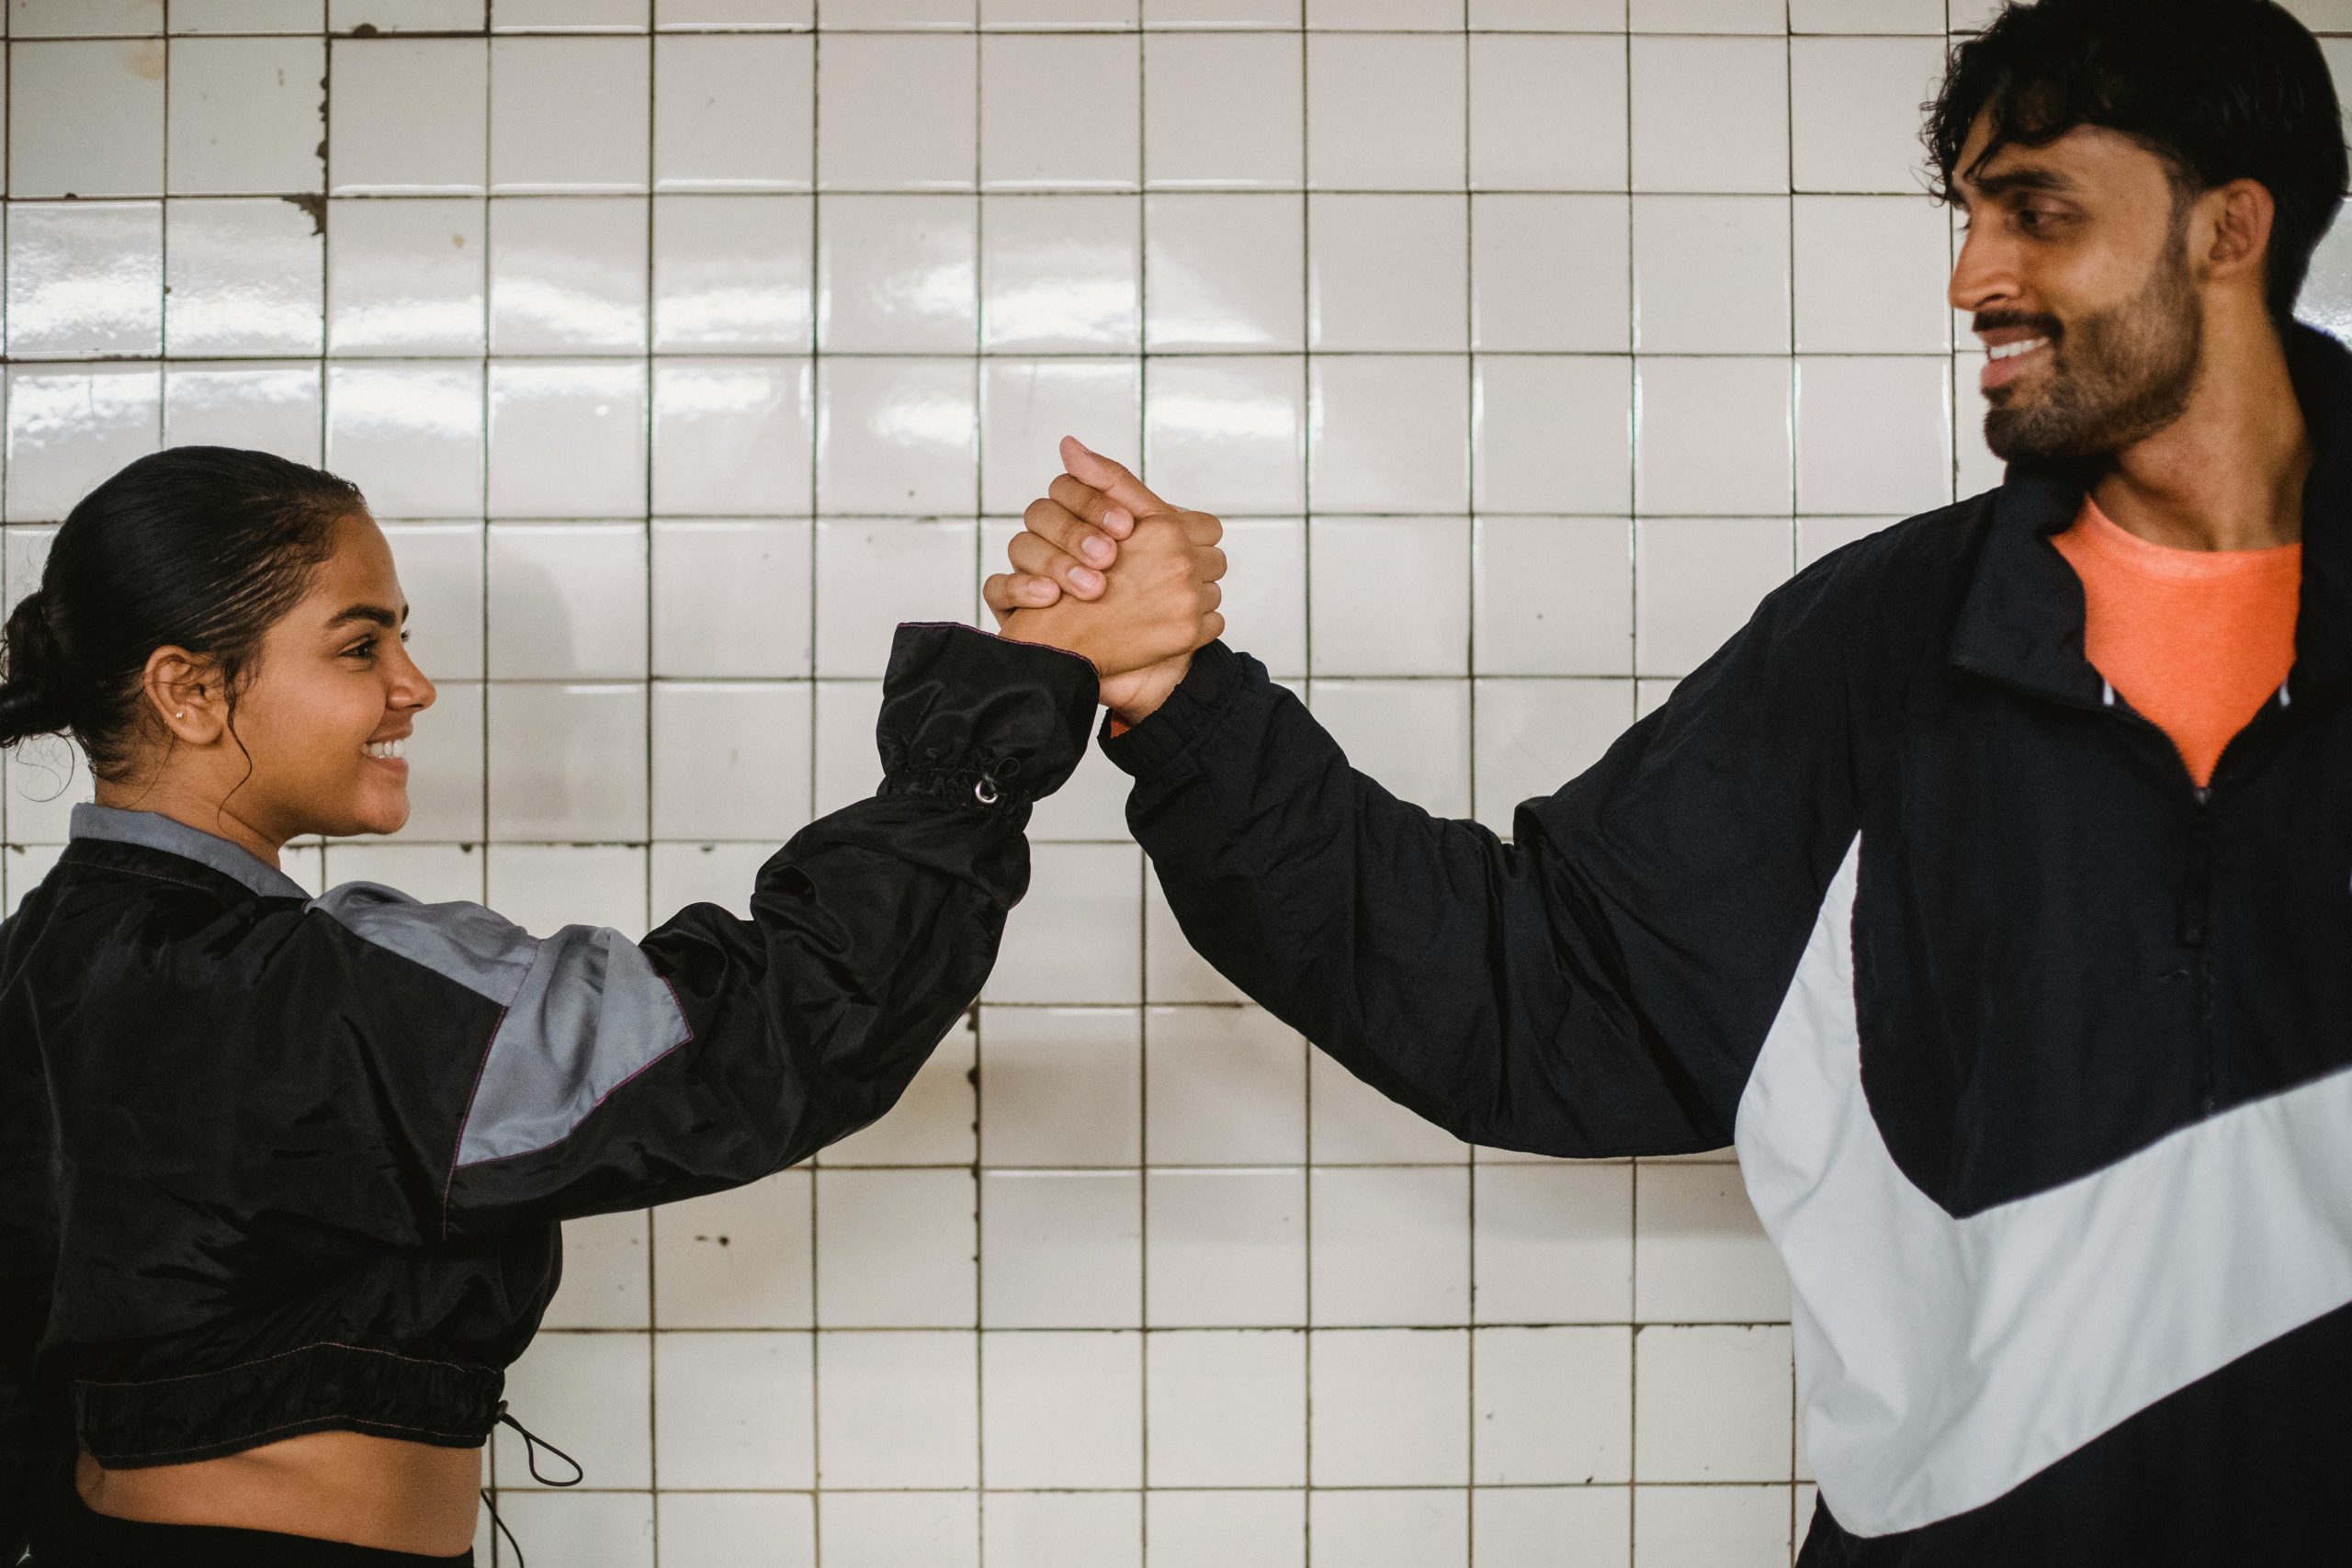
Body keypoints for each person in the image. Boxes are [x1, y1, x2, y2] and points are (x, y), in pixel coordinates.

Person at [984, 0, 2352, 1561]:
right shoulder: (1887, 656)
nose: (1975, 276)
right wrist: (1178, 700)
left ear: (2230, 227)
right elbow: (1541, 988)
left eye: (2037, 211)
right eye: (1969, 215)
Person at [0, 446, 1223, 1566]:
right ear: (190, 692)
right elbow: (752, 1033)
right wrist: (999, 720)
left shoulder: (43, 958)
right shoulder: (296, 992)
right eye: (360, 646)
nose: (414, 687)